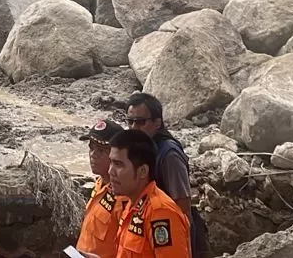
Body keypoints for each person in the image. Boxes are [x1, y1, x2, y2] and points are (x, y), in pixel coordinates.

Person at [125, 93, 205, 257]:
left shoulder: (169, 155)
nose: (133, 127)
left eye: (140, 122)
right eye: (130, 121)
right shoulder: (142, 148)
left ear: (157, 123)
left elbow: (182, 206)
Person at [100, 129, 191, 258]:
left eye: (118, 164)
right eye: (111, 163)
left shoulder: (161, 213)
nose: (110, 171)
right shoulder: (132, 204)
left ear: (142, 171)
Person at [76, 119, 129, 258]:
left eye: (101, 150)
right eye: (91, 148)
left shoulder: (124, 197)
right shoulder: (100, 183)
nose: (93, 154)